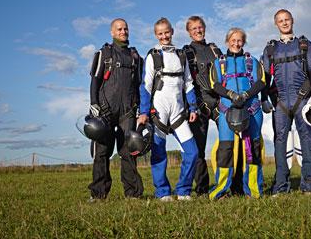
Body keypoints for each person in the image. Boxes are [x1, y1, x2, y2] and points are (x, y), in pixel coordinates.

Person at [261, 9, 311, 195]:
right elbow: (265, 78)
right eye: (280, 21)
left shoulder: (305, 45)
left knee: (307, 138)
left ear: (292, 21)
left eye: (287, 19)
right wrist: (264, 98)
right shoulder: (270, 49)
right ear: (276, 24)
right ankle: (280, 186)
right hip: (280, 103)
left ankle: (310, 184)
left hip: (302, 99)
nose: (284, 23)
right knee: (280, 141)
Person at [137, 17, 199, 201]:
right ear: (156, 35)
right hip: (159, 112)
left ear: (172, 31)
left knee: (192, 152)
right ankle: (163, 192)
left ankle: (183, 190)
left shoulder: (181, 55)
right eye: (160, 33)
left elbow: (188, 83)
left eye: (167, 32)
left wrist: (193, 107)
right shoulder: (152, 55)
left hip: (179, 111)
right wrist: (143, 113)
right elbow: (146, 86)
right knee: (158, 153)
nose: (164, 36)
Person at [88, 18, 144, 201]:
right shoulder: (104, 53)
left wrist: (140, 108)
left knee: (128, 151)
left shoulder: (135, 57)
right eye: (119, 29)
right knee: (102, 152)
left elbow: (140, 85)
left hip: (127, 111)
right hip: (105, 110)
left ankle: (132, 194)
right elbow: (95, 80)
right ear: (112, 32)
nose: (123, 31)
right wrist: (94, 104)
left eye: (125, 28)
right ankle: (98, 194)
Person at [209, 28, 265, 199]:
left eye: (239, 40)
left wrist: (246, 95)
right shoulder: (219, 63)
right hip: (227, 112)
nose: (236, 43)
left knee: (252, 150)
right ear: (227, 41)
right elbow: (214, 84)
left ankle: (253, 191)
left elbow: (261, 81)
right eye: (233, 40)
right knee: (225, 151)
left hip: (251, 110)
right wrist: (231, 95)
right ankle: (221, 191)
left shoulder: (253, 62)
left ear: (244, 42)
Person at [182, 16, 222, 196]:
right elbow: (183, 81)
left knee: (229, 144)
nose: (198, 31)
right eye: (193, 29)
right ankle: (202, 188)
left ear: (204, 28)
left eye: (200, 27)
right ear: (189, 32)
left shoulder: (215, 50)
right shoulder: (186, 52)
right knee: (198, 149)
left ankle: (228, 183)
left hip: (220, 102)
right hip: (198, 104)